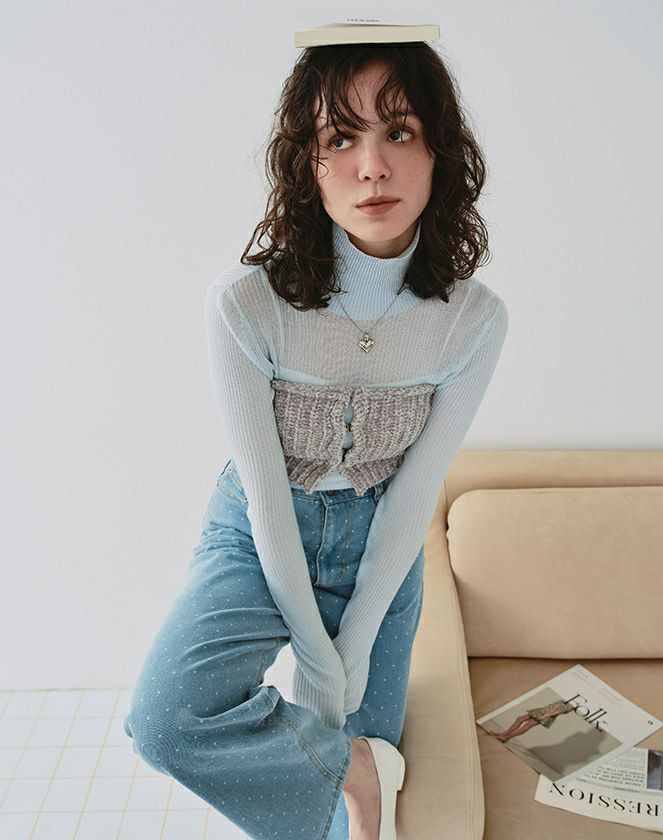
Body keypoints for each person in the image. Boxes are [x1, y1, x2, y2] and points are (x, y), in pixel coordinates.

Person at [123, 41, 509, 840]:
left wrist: (354, 643)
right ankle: (349, 765)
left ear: (440, 150)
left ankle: (354, 768)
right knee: (166, 721)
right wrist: (312, 649)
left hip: (383, 544)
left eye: (399, 132)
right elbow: (266, 496)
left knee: (366, 779)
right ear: (308, 163)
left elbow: (415, 493)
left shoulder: (473, 320)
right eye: (340, 138)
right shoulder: (246, 304)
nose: (372, 168)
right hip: (259, 531)